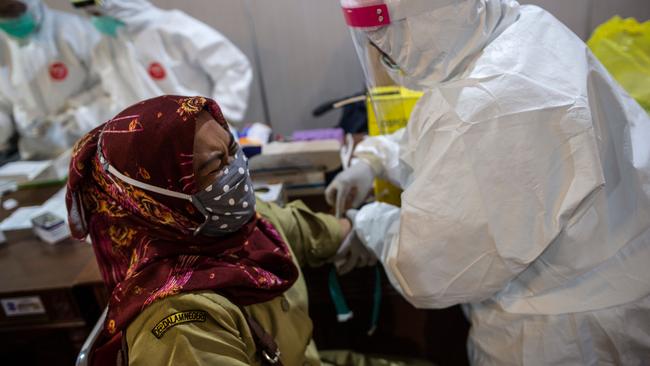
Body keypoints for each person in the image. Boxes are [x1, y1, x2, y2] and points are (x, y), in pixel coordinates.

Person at [327, 0, 650, 364]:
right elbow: (448, 128)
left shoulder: (491, 107)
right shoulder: (511, 29)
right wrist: (376, 158)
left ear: (419, 21)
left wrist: (368, 225)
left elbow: (428, 267)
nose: (381, 52)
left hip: (561, 335)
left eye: (381, 37)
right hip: (609, 276)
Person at [66, 95, 422, 366]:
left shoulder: (237, 227)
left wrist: (367, 225)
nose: (237, 171)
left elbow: (316, 231)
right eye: (213, 166)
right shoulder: (180, 326)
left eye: (232, 149)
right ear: (159, 199)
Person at [68, 0, 253, 124]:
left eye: (97, 12)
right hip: (149, 147)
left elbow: (233, 66)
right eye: (90, 13)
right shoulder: (105, 48)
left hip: (198, 138)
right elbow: (114, 98)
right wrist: (78, 118)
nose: (95, 19)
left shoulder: (171, 27)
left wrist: (218, 118)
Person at [0, 0, 108, 160]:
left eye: (14, 8)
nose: (12, 19)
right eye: (3, 13)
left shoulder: (76, 30)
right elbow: (4, 105)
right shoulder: (3, 48)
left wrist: (77, 119)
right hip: (36, 158)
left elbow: (111, 88)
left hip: (91, 146)